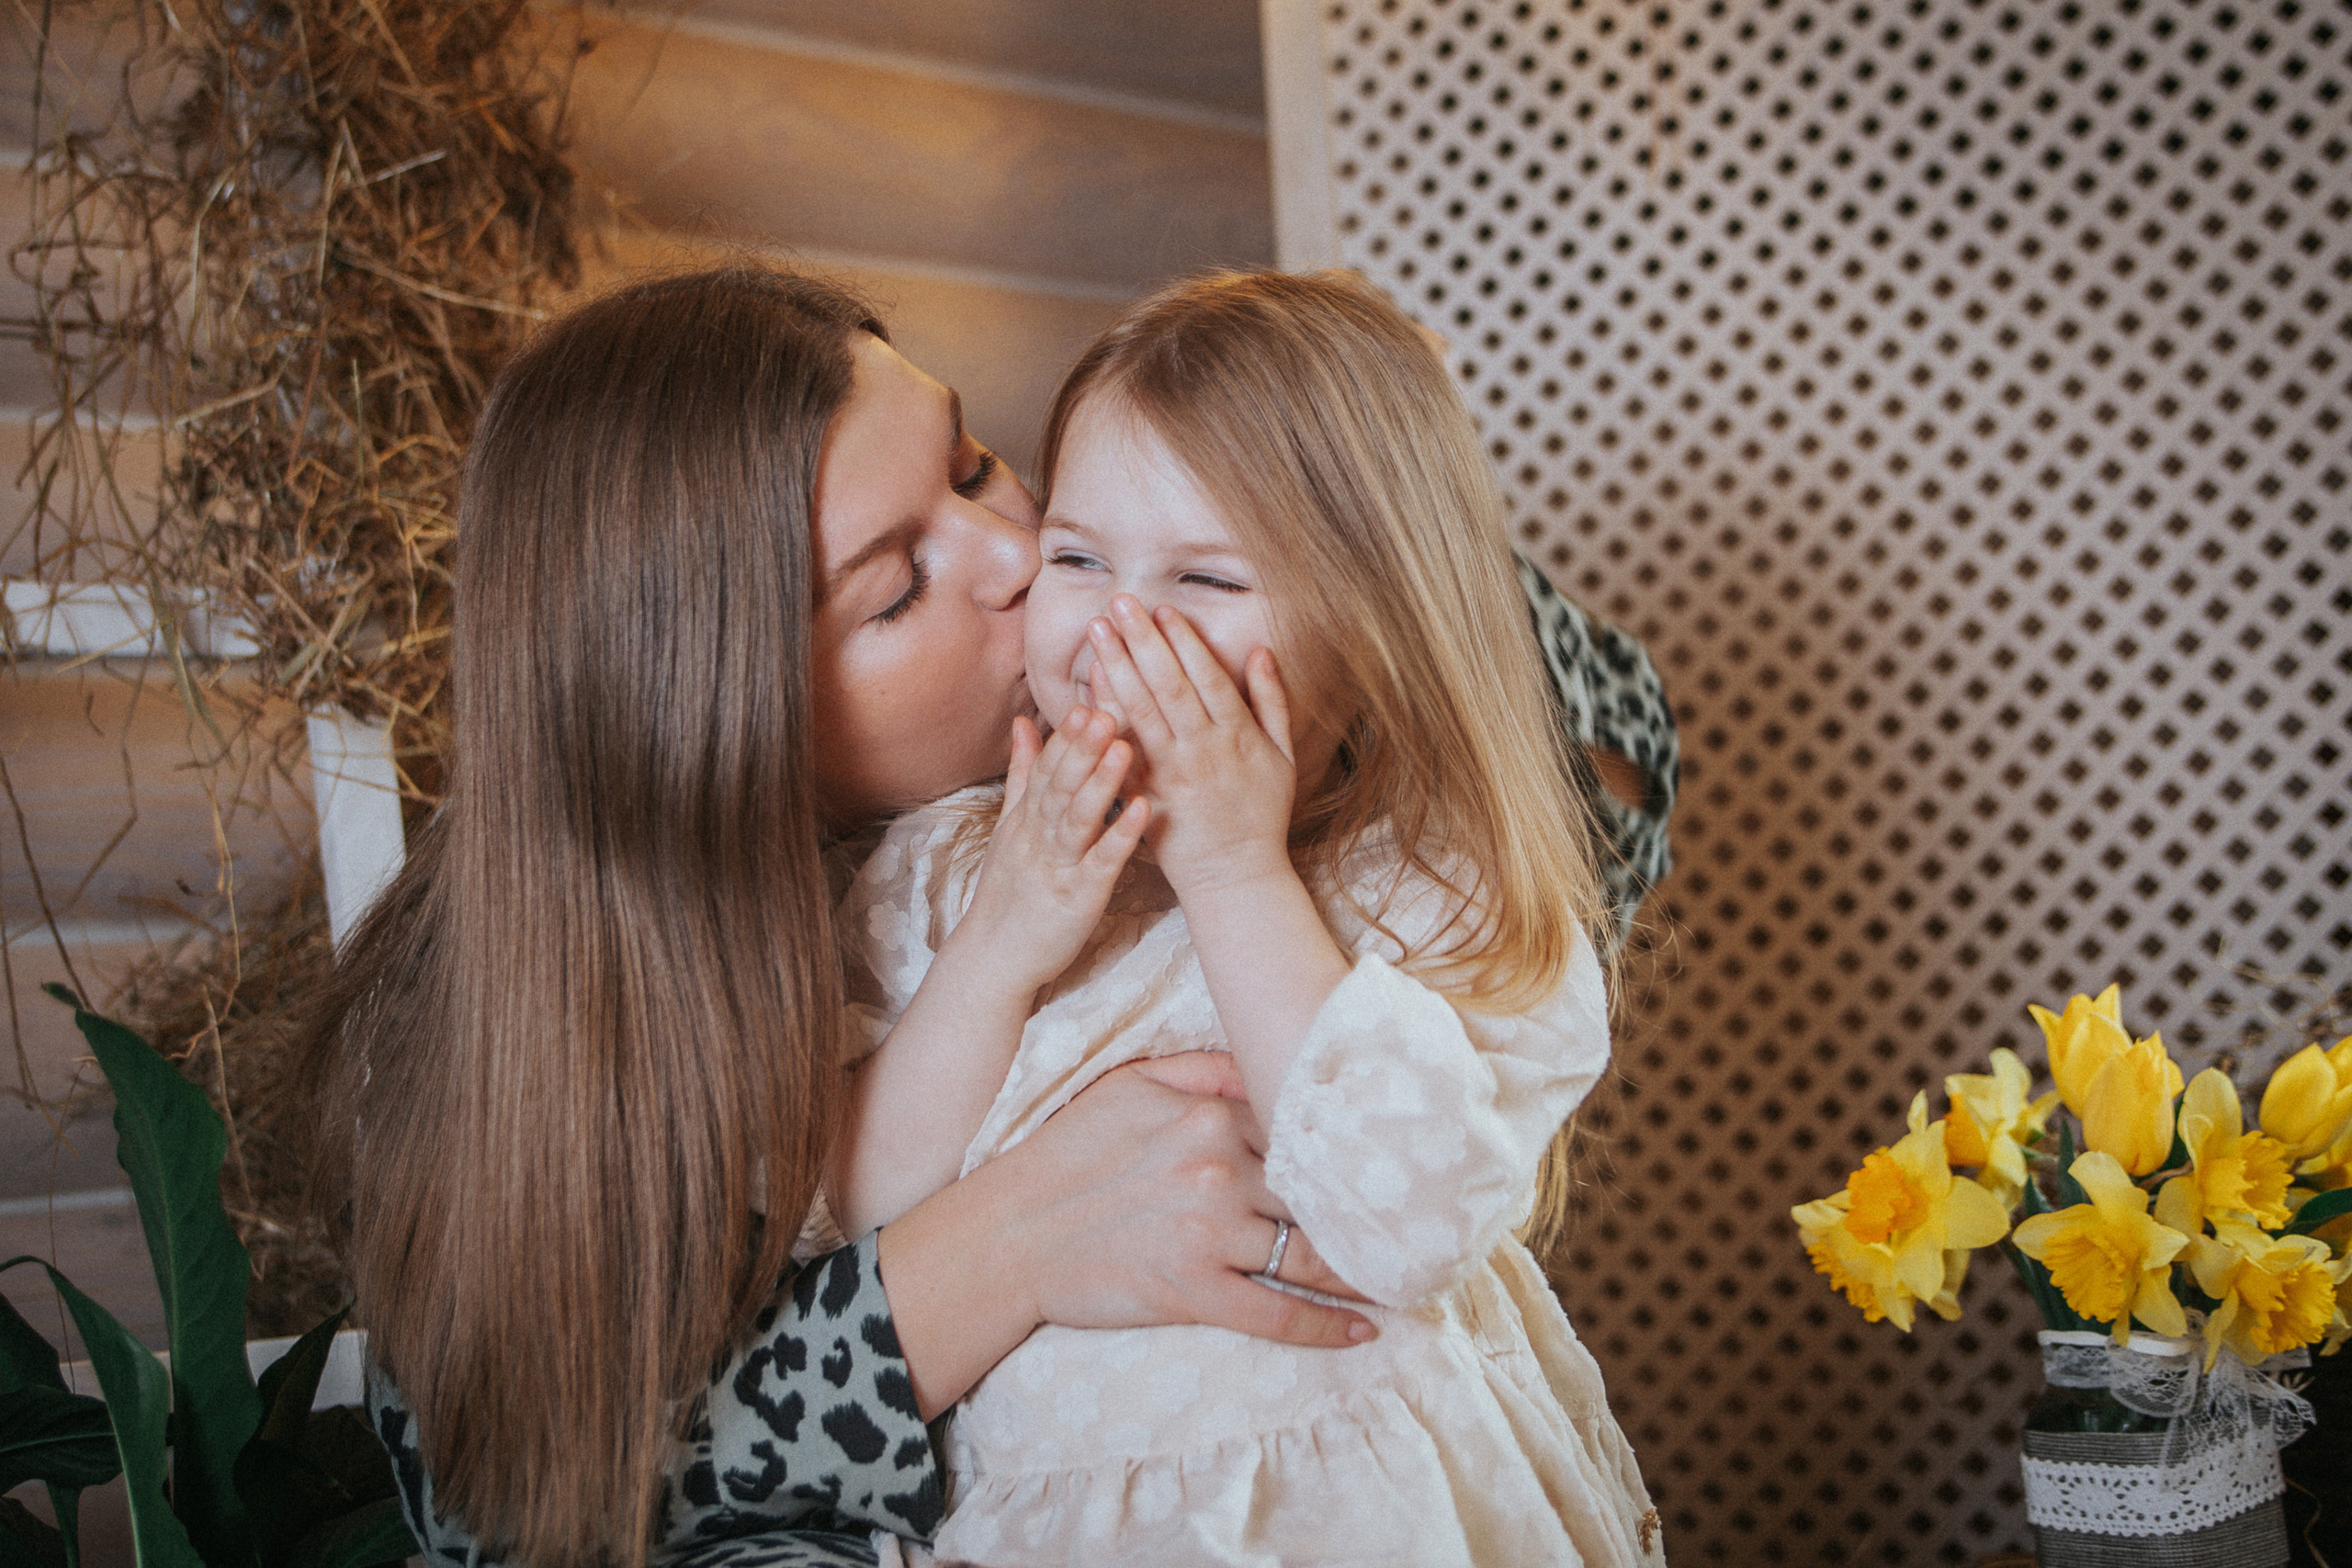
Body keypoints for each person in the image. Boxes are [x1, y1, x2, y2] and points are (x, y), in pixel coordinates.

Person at [299, 267, 1375, 1568]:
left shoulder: (1157, 630)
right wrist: (1002, 1250)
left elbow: (1573, 698)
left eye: (974, 468)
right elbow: (504, 1514)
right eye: (895, 592)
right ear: (719, 725)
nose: (1021, 558)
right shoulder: (513, 1000)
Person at [829, 270, 1664, 1565]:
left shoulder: (1426, 886)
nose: (1124, 622)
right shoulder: (952, 867)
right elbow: (861, 1206)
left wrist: (1232, 874)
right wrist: (1000, 944)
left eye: (1208, 580)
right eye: (1082, 557)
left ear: (1373, 633)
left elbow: (1406, 1221)